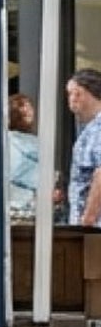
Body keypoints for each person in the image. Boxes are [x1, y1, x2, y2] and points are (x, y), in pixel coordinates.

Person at [68, 72, 101, 228]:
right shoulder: (88, 129)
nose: (71, 99)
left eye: (73, 93)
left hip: (93, 232)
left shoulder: (98, 129)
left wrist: (88, 219)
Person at [10, 94, 41, 218]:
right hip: (18, 206)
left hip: (34, 206)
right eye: (22, 105)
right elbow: (16, 170)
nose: (27, 109)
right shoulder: (9, 139)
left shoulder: (35, 140)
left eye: (29, 105)